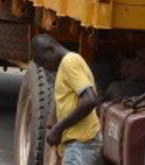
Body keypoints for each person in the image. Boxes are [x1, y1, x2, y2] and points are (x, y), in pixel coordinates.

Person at [31, 34, 102, 164]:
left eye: (43, 61)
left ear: (51, 49)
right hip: (75, 141)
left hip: (80, 142)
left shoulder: (70, 62)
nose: (44, 67)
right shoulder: (64, 66)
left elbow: (90, 100)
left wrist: (58, 128)